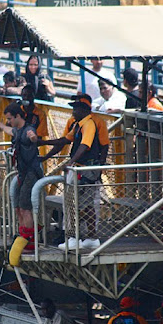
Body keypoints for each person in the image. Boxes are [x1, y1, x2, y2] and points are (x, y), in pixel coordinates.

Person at [39, 95, 107, 250]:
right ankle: (90, 237)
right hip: (80, 168)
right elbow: (64, 140)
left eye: (76, 108)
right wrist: (44, 146)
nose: (73, 111)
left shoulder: (89, 125)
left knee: (77, 204)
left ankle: (74, 237)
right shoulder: (78, 125)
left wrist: (70, 162)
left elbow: (85, 145)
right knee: (84, 204)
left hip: (84, 170)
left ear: (84, 110)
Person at [0, 102, 43, 251]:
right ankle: (23, 233)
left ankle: (30, 238)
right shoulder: (18, 130)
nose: (9, 122)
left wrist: (33, 138)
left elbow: (34, 138)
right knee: (18, 207)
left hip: (31, 172)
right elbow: (10, 131)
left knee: (25, 206)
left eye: (10, 119)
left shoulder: (28, 130)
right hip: (22, 172)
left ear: (18, 116)